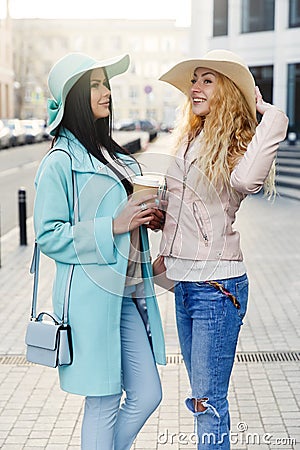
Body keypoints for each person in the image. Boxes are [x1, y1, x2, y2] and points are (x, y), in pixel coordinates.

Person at [156, 49, 288, 449]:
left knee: (209, 401)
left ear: (227, 91)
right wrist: (160, 215)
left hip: (217, 287)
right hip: (183, 283)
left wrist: (273, 118)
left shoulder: (235, 142)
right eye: (195, 79)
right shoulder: (190, 137)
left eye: (207, 80)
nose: (195, 87)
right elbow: (187, 208)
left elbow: (247, 181)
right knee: (201, 399)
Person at [33, 52, 166, 449]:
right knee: (104, 399)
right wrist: (114, 225)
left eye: (106, 83)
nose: (106, 92)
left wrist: (146, 221)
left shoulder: (116, 157)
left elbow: (127, 219)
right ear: (74, 95)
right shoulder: (59, 163)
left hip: (126, 296)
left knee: (147, 395)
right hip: (90, 302)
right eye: (95, 85)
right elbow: (49, 236)